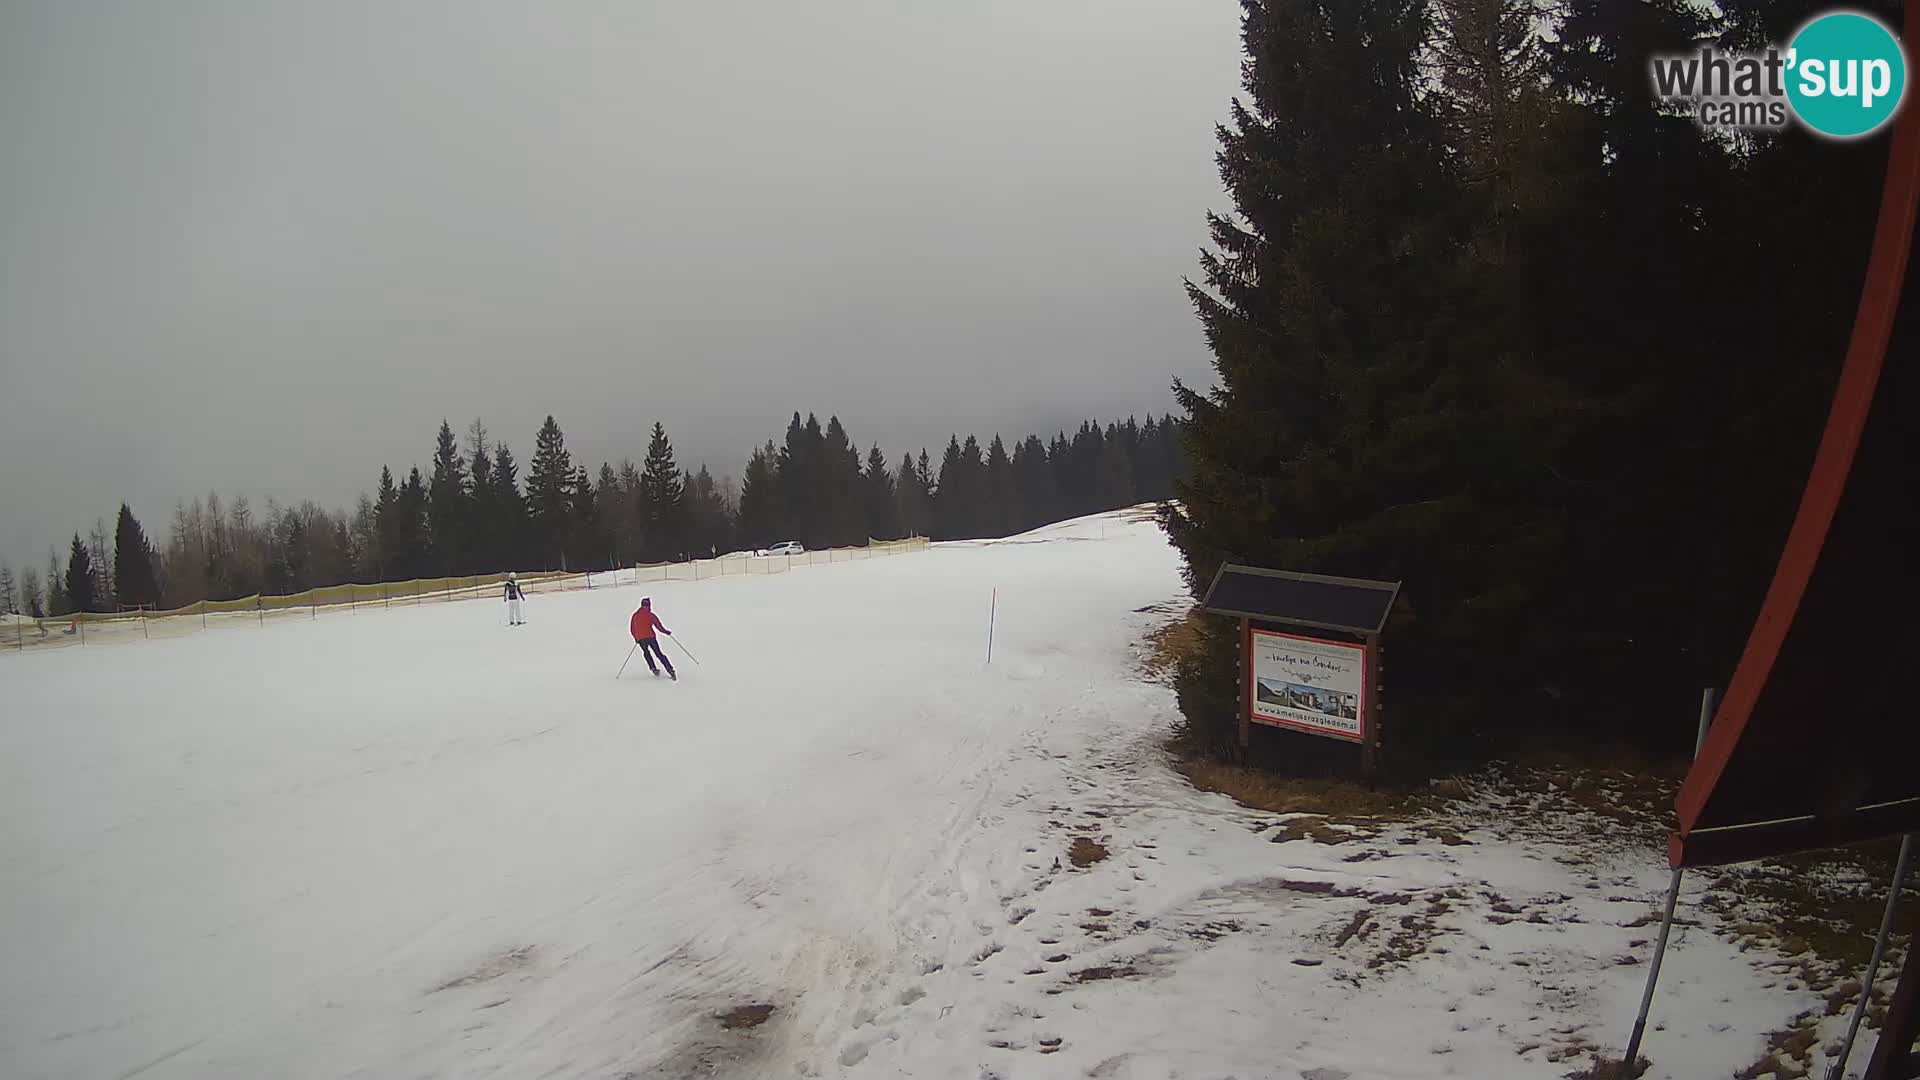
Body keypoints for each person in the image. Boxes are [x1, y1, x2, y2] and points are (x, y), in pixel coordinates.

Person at [629, 597, 676, 680]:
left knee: (646, 652)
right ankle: (670, 670)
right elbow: (659, 626)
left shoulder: (635, 615)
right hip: (650, 637)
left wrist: (636, 638)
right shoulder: (650, 615)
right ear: (649, 605)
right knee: (658, 653)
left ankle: (653, 668)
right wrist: (666, 632)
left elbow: (632, 629)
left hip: (641, 639)